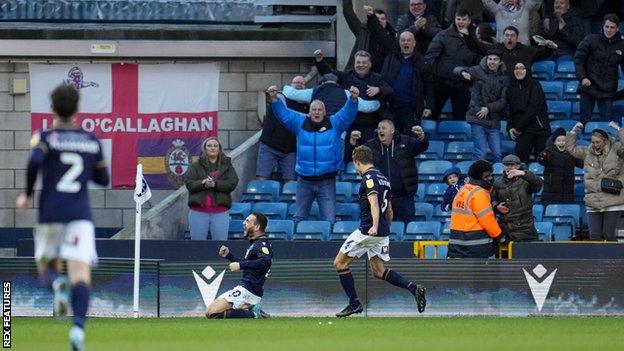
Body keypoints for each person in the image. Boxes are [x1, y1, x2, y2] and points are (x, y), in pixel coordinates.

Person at [15, 84, 110, 350]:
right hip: (80, 215)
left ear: (53, 109)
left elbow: (34, 161)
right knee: (81, 275)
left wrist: (26, 193)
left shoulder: (45, 137)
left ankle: (57, 283)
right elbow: (103, 179)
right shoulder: (91, 141)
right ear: (78, 109)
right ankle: (78, 329)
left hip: (50, 213)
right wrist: (87, 168)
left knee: (46, 265)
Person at [333, 145, 426, 317]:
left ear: (357, 161)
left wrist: (374, 226)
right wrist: (384, 229)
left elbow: (374, 203)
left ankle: (354, 303)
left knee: (340, 263)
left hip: (369, 230)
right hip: (382, 231)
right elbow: (389, 209)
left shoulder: (368, 178)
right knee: (378, 271)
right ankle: (413, 288)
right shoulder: (383, 178)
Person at [266, 85, 360, 224]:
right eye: (314, 110)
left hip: (326, 181)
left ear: (324, 112)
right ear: (309, 112)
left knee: (329, 220)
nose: (317, 112)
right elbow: (284, 115)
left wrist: (353, 99)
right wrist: (274, 99)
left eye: (319, 110)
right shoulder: (299, 122)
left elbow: (348, 113)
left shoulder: (335, 123)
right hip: (304, 180)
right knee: (298, 218)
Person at [314, 49, 393, 159]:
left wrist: (379, 90)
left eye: (364, 63)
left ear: (370, 64)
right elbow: (329, 73)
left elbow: (390, 92)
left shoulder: (377, 78)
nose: (361, 65)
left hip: (370, 124)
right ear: (354, 63)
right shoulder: (347, 75)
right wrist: (320, 61)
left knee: (371, 156)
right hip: (350, 123)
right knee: (346, 155)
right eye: (358, 62)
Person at [347, 120, 429, 224]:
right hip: (382, 198)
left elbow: (422, 146)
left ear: (392, 130)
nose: (380, 130)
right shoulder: (371, 145)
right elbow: (357, 157)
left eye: (383, 128)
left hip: (404, 197)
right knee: (382, 230)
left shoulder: (405, 141)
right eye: (379, 128)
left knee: (408, 227)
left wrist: (422, 136)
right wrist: (352, 142)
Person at [205, 213, 273, 319]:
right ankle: (252, 309)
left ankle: (255, 314)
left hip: (249, 291)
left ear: (257, 227)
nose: (244, 223)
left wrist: (240, 265)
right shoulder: (256, 244)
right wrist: (229, 256)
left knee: (212, 313)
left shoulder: (262, 244)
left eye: (247, 221)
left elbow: (265, 262)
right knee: (209, 312)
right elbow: (249, 264)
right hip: (245, 288)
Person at [565, 122, 624, 241]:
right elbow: (571, 148)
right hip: (593, 200)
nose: (595, 145)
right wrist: (574, 131)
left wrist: (619, 129)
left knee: (608, 234)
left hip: (613, 199)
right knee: (594, 237)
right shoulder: (587, 152)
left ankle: (613, 259)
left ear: (605, 141)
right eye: (593, 142)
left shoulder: (616, 149)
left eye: (598, 142)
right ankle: (598, 260)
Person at [425, 8, 481, 120]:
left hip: (462, 84)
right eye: (458, 19)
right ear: (454, 20)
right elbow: (430, 56)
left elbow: (478, 59)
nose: (461, 22)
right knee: (432, 115)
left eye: (464, 19)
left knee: (461, 118)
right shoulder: (443, 35)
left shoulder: (473, 39)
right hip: (441, 82)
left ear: (469, 21)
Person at [456, 49, 508, 163]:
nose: (492, 62)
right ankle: (475, 179)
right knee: (481, 153)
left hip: (494, 120)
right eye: (490, 59)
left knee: (498, 154)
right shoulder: (477, 70)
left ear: (500, 62)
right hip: (477, 118)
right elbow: (456, 69)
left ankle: (497, 178)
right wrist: (462, 73)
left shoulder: (505, 77)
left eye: (495, 59)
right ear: (486, 59)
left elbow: (504, 100)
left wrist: (488, 108)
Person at [380, 30, 434, 134]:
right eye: (403, 40)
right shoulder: (391, 58)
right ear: (399, 43)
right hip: (391, 107)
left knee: (411, 140)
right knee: (392, 139)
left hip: (411, 109)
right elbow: (382, 79)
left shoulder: (422, 62)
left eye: (409, 40)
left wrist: (429, 106)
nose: (406, 43)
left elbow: (429, 85)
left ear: (414, 43)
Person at [185, 137, 239, 240]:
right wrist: (203, 183)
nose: (212, 148)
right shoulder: (195, 166)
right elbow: (189, 184)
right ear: (205, 149)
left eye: (215, 146)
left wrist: (216, 185)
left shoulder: (227, 165)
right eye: (209, 146)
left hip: (220, 212)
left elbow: (232, 183)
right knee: (197, 247)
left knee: (220, 247)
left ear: (219, 149)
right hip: (198, 212)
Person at [574, 14, 624, 123]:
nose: (609, 30)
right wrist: (582, 78)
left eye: (612, 27)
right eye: (607, 27)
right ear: (603, 26)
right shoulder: (590, 39)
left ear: (617, 29)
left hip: (608, 91)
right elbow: (579, 59)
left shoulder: (622, 45)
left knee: (607, 124)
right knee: (583, 121)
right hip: (588, 87)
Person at [257, 75, 308, 182]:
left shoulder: (307, 106)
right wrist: (273, 94)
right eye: (296, 82)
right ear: (290, 85)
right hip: (269, 145)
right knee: (261, 179)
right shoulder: (280, 97)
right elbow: (274, 98)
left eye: (302, 83)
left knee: (290, 182)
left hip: (290, 150)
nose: (299, 85)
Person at [448, 160, 503, 258]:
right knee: (478, 273)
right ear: (479, 177)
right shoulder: (479, 193)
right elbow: (487, 219)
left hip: (456, 243)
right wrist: (499, 236)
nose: (490, 178)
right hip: (475, 244)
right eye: (487, 176)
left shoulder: (463, 190)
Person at [466, 25, 558, 79]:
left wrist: (550, 47)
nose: (509, 38)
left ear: (517, 38)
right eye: (507, 35)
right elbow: (478, 47)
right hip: (501, 86)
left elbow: (542, 54)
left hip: (520, 86)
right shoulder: (496, 48)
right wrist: (467, 36)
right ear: (503, 37)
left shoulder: (526, 50)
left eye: (512, 35)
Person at [506, 62, 551, 164]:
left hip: (540, 129)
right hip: (523, 131)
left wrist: (518, 127)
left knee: (542, 161)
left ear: (527, 70)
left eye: (522, 68)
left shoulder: (535, 84)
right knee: (520, 162)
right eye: (516, 68)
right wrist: (510, 127)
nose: (519, 71)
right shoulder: (510, 88)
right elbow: (510, 110)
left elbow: (533, 108)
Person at [492, 154, 543, 242]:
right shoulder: (497, 183)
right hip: (505, 229)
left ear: (518, 166)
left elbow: (538, 185)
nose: (509, 167)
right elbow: (492, 201)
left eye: (512, 165)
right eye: (506, 165)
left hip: (524, 228)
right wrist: (497, 208)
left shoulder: (526, 180)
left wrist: (523, 173)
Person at [342, 0, 396, 73]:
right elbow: (348, 12)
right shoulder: (362, 31)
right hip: (359, 75)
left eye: (382, 19)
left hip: (379, 78)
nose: (379, 21)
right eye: (377, 19)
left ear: (387, 22)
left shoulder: (392, 36)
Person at [538, 128, 583, 205]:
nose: (561, 142)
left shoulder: (571, 153)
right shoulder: (548, 152)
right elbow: (541, 160)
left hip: (567, 190)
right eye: (559, 140)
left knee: (566, 207)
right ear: (554, 142)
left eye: (564, 140)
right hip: (550, 190)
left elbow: (581, 163)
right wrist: (543, 156)